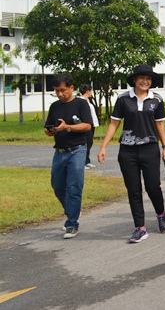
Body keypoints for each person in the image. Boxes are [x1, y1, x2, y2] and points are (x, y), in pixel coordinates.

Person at [98, 64, 165, 243]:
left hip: (150, 149)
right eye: (141, 78)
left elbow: (159, 124)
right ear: (135, 80)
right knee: (133, 189)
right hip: (127, 151)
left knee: (153, 186)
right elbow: (114, 123)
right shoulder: (123, 99)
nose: (145, 81)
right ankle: (140, 228)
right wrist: (103, 147)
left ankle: (161, 214)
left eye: (148, 78)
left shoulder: (156, 99)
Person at [45, 73, 92, 239]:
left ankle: (72, 224)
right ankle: (73, 210)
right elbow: (48, 129)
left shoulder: (81, 104)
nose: (60, 94)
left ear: (71, 88)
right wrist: (50, 131)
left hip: (77, 150)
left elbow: (87, 126)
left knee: (74, 187)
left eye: (63, 90)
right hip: (59, 151)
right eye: (57, 91)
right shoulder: (54, 106)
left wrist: (68, 127)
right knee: (57, 186)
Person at [78, 84, 99, 170]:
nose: (92, 93)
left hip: (92, 124)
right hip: (86, 125)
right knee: (85, 144)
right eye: (91, 91)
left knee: (89, 143)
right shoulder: (81, 101)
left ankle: (87, 161)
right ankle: (82, 162)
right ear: (88, 91)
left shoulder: (87, 101)